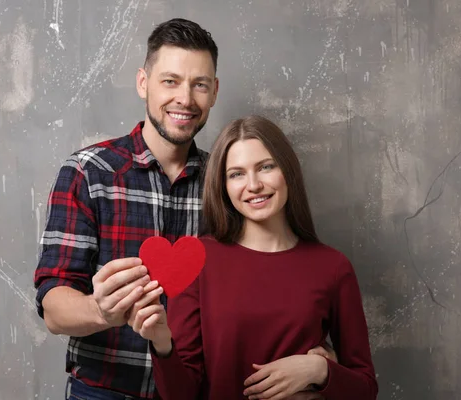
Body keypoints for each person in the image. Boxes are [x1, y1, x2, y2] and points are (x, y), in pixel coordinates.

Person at [33, 18, 219, 399]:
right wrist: (100, 310)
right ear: (143, 83)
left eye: (199, 84)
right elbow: (53, 307)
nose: (185, 98)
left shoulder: (226, 182)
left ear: (214, 92)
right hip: (104, 391)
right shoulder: (89, 172)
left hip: (197, 391)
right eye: (170, 81)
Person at [129, 115, 378, 400]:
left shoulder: (333, 267)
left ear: (287, 170)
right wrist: (162, 342)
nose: (254, 184)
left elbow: (365, 389)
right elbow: (181, 394)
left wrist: (318, 370)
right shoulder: (198, 261)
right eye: (236, 174)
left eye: (266, 167)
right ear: (223, 185)